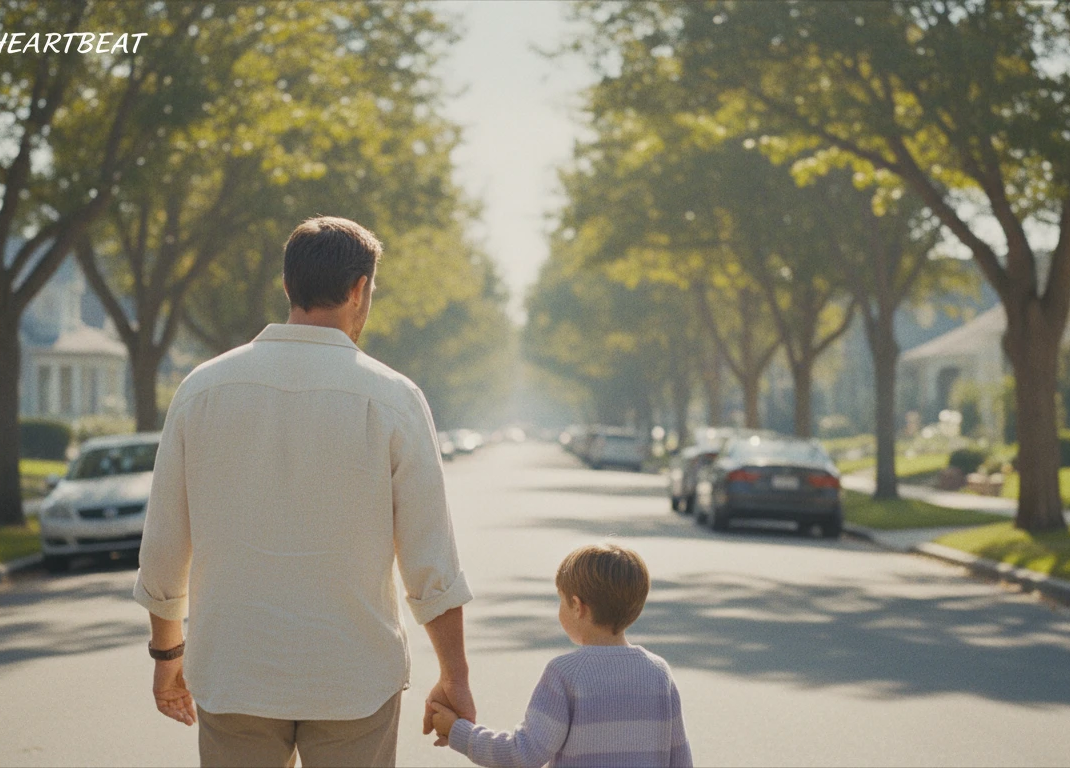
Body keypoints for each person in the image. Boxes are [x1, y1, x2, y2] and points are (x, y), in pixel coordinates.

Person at [133, 216, 475, 767]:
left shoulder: (201, 390)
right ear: (360, 289)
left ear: (287, 285)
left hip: (236, 670)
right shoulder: (393, 398)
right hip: (353, 677)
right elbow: (430, 561)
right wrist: (454, 675)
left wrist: (167, 653)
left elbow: (165, 548)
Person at [430, 543, 692, 768]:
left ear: (577, 607)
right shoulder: (658, 673)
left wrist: (459, 733)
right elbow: (680, 759)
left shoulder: (565, 674)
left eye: (560, 600)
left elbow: (524, 753)